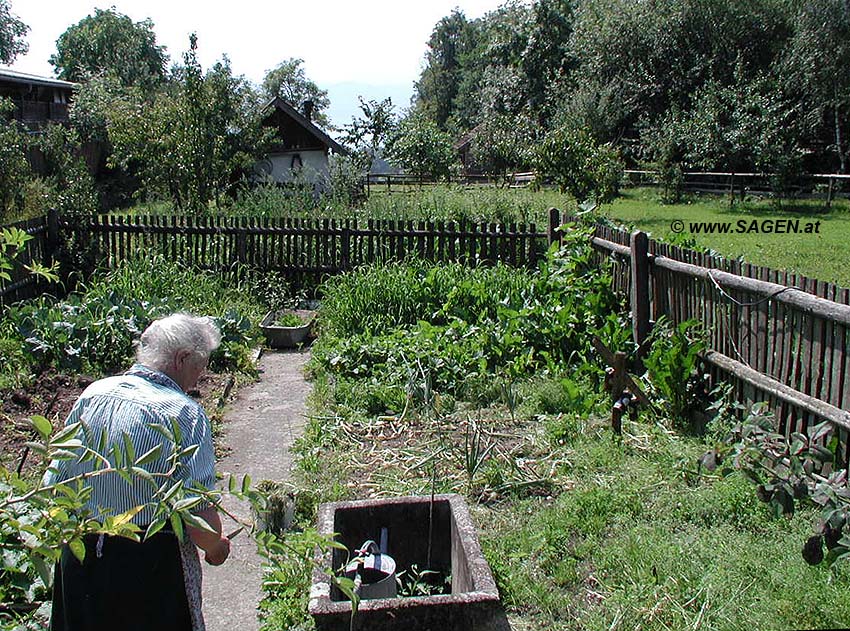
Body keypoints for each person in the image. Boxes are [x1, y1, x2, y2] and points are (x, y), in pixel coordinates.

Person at [45, 313, 231, 631]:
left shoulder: (94, 394)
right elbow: (197, 516)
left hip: (80, 558)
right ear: (182, 358)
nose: (199, 378)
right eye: (200, 366)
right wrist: (217, 548)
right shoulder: (183, 413)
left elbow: (55, 484)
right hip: (147, 568)